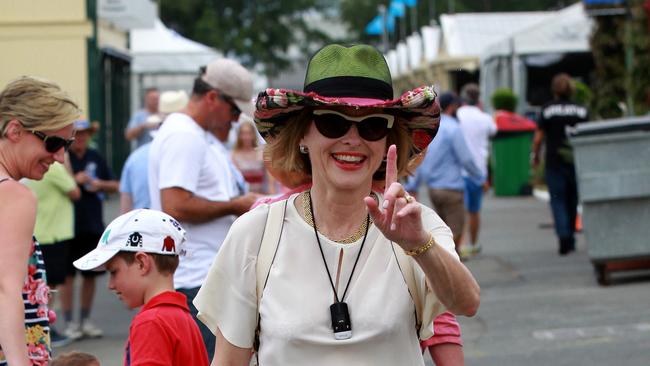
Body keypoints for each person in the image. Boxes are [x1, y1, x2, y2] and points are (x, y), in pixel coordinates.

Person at [194, 44, 480, 366]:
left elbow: (466, 304)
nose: (353, 139)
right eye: (333, 122)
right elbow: (229, 361)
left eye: (372, 125)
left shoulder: (414, 226)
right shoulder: (256, 233)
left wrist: (419, 246)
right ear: (302, 134)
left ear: (389, 140)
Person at [148, 58, 260, 359]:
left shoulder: (196, 134)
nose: (237, 121)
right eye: (234, 111)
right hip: (195, 280)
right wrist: (235, 205)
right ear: (212, 98)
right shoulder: (184, 136)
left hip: (201, 278)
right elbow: (175, 204)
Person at [0, 76, 80, 365]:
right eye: (54, 142)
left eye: (67, 145)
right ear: (15, 130)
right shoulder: (13, 195)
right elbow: (6, 289)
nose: (59, 157)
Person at [73, 209, 209, 365]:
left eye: (114, 272)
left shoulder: (151, 323)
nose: (110, 285)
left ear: (142, 263)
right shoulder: (183, 317)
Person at [406, 92, 485, 252]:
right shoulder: (454, 128)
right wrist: (479, 177)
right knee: (455, 232)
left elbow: (422, 157)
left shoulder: (433, 128)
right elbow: (466, 159)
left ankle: (444, 265)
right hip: (451, 189)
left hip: (433, 189)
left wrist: (414, 183)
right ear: (452, 106)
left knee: (441, 231)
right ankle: (449, 265)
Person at [65, 119, 119, 340]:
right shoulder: (63, 157)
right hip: (69, 225)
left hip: (92, 223)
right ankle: (69, 323)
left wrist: (99, 185)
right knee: (67, 276)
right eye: (77, 134)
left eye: (85, 134)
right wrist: (75, 180)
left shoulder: (95, 156)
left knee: (90, 275)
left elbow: (115, 184)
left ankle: (85, 319)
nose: (81, 138)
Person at [24, 158, 81, 347]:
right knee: (48, 287)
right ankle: (46, 327)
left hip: (42, 232)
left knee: (44, 287)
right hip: (53, 234)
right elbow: (75, 191)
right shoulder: (54, 167)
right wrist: (69, 167)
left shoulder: (32, 165)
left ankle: (45, 326)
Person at [532, 73, 588, 255]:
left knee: (558, 200)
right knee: (573, 200)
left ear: (554, 89)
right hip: (576, 160)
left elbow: (539, 137)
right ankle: (570, 235)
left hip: (554, 162)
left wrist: (535, 156)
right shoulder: (581, 110)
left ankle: (563, 234)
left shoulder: (547, 110)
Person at [120, 90, 189, 213]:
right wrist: (143, 126)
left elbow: (125, 206)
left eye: (157, 98)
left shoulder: (135, 158)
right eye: (152, 98)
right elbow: (128, 135)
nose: (155, 101)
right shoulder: (139, 117)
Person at [456, 83, 497, 256]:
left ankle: (459, 246)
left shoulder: (457, 115)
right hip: (478, 171)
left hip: (458, 170)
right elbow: (494, 132)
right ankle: (473, 244)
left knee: (459, 211)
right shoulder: (485, 117)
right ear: (478, 99)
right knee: (474, 211)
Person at [231, 120, 270, 194]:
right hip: (242, 196)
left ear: (253, 135)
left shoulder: (261, 153)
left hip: (261, 194)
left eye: (249, 133)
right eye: (243, 133)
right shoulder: (234, 155)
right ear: (239, 136)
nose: (246, 137)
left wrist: (271, 189)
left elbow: (269, 176)